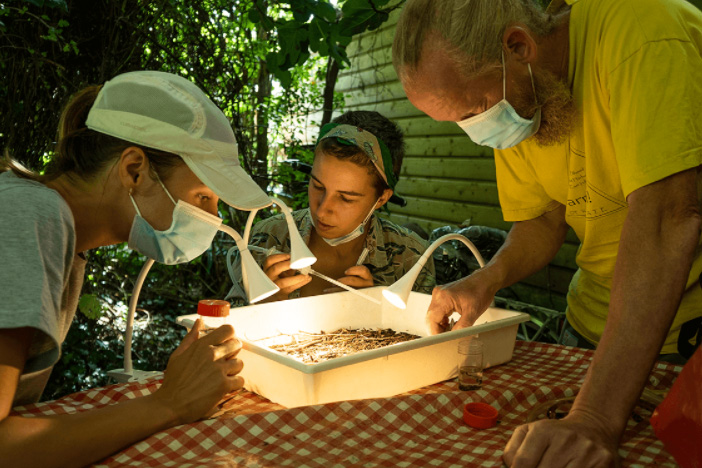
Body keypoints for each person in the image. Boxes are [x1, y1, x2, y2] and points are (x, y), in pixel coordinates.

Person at [392, 0, 702, 466]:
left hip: (684, 336)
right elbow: (540, 221)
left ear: (519, 45)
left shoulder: (642, 30)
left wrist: (595, 417)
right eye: (461, 122)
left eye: (476, 111)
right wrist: (486, 280)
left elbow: (669, 219)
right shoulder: (520, 93)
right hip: (591, 322)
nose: (477, 131)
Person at [0, 70, 272, 467]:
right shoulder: (31, 215)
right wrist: (169, 404)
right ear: (134, 170)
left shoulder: (56, 229)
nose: (213, 221)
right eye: (203, 196)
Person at [228, 110, 435, 304]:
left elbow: (428, 338)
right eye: (317, 186)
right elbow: (219, 328)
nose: (322, 209)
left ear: (381, 198)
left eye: (346, 198)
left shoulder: (411, 257)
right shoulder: (269, 237)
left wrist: (375, 313)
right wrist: (265, 305)